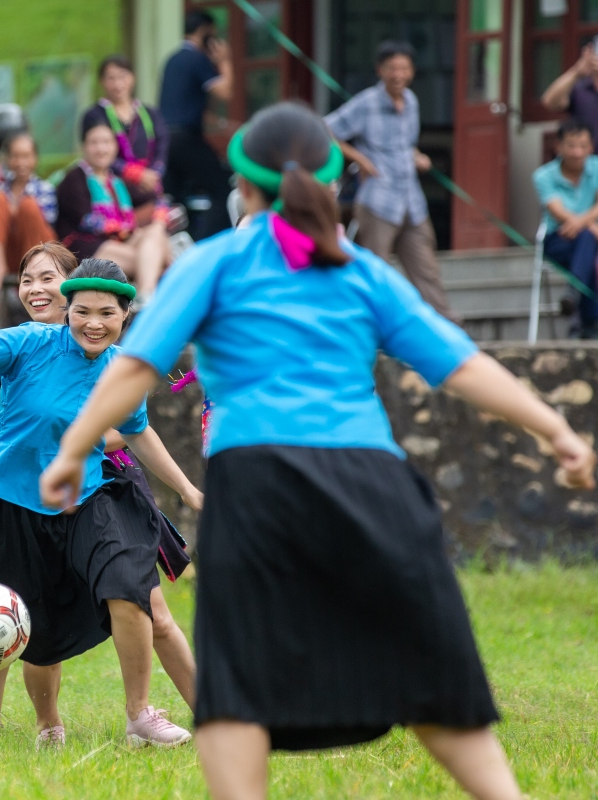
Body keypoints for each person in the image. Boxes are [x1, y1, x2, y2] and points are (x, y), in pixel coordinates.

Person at [40, 101, 597, 800]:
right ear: (333, 186)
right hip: (374, 481)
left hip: (259, 479)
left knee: (237, 685)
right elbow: (460, 364)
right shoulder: (360, 269)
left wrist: (74, 447)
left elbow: (138, 365)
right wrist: (557, 429)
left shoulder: (217, 261)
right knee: (432, 670)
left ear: (244, 187)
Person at [0, 258, 201, 750]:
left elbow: (138, 433)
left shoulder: (124, 371)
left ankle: (139, 716)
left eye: (107, 313)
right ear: (67, 311)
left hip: (86, 497)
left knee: (128, 587)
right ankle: (48, 724)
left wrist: (187, 489)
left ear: (124, 318)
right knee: (37, 629)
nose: (94, 323)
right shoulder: (30, 343)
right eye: (83, 311)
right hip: (7, 502)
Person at [325, 40, 456, 321]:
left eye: (404, 68)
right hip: (378, 200)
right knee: (376, 270)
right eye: (392, 68)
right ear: (380, 71)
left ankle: (447, 327)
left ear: (412, 71)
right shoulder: (366, 103)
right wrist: (359, 158)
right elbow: (325, 129)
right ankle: (372, 327)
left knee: (427, 269)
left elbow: (405, 145)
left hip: (412, 200)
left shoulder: (411, 101)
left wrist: (417, 157)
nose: (399, 74)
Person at [56, 120, 169, 302]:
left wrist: (159, 218)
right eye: (94, 143)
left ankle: (145, 295)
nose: (101, 149)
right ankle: (147, 296)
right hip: (87, 249)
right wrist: (127, 229)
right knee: (153, 264)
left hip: (119, 243)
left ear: (115, 147)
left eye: (106, 142)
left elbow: (156, 199)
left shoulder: (117, 181)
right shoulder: (74, 178)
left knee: (156, 233)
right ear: (84, 147)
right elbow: (88, 222)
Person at [158, 10, 234, 240]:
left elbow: (182, 103)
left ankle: (182, 245)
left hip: (166, 141)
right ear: (204, 33)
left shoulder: (172, 59)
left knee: (178, 198)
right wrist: (225, 62)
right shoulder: (197, 57)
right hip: (185, 139)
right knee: (223, 191)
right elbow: (225, 92)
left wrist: (222, 123)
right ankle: (207, 245)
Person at [533, 119, 598, 338]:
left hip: (586, 242)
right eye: (571, 145)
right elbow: (557, 212)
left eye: (583, 146)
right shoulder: (544, 175)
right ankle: (589, 323)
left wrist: (583, 225)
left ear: (591, 147)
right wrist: (589, 225)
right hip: (558, 239)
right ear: (558, 146)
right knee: (587, 246)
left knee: (586, 249)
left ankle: (574, 296)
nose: (577, 152)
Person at [0, 132, 58, 318]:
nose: (20, 162)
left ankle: (32, 272)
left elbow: (46, 224)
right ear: (7, 159)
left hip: (38, 251)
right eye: (15, 156)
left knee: (29, 206)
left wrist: (16, 209)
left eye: (26, 156)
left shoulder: (45, 189)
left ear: (35, 159)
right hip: (8, 253)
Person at [82, 56, 169, 200]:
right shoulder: (94, 115)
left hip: (150, 184)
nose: (118, 84)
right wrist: (136, 175)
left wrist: (153, 174)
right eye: (111, 78)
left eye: (123, 77)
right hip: (112, 188)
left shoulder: (149, 113)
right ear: (101, 81)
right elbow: (95, 152)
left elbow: (162, 145)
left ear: (133, 77)